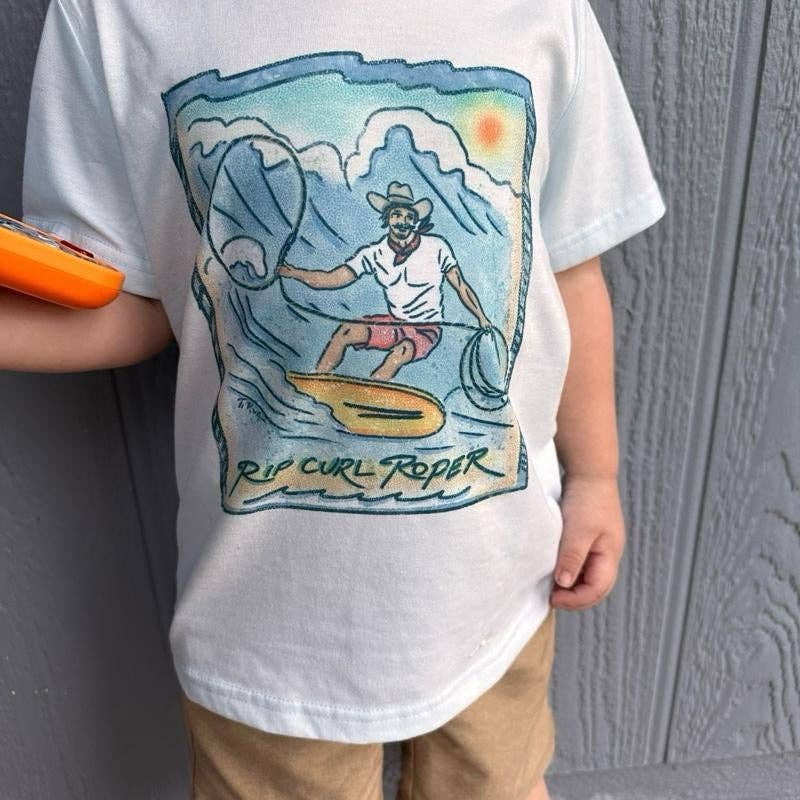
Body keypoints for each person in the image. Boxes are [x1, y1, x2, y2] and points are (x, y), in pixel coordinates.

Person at [4, 1, 666, 798]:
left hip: (497, 590)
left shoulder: (541, 15)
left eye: (406, 217)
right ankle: (327, 387)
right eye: (392, 218)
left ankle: (376, 386)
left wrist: (596, 475)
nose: (398, 226)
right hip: (264, 617)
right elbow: (130, 300)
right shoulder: (112, 16)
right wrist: (290, 277)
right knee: (356, 335)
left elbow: (568, 267)